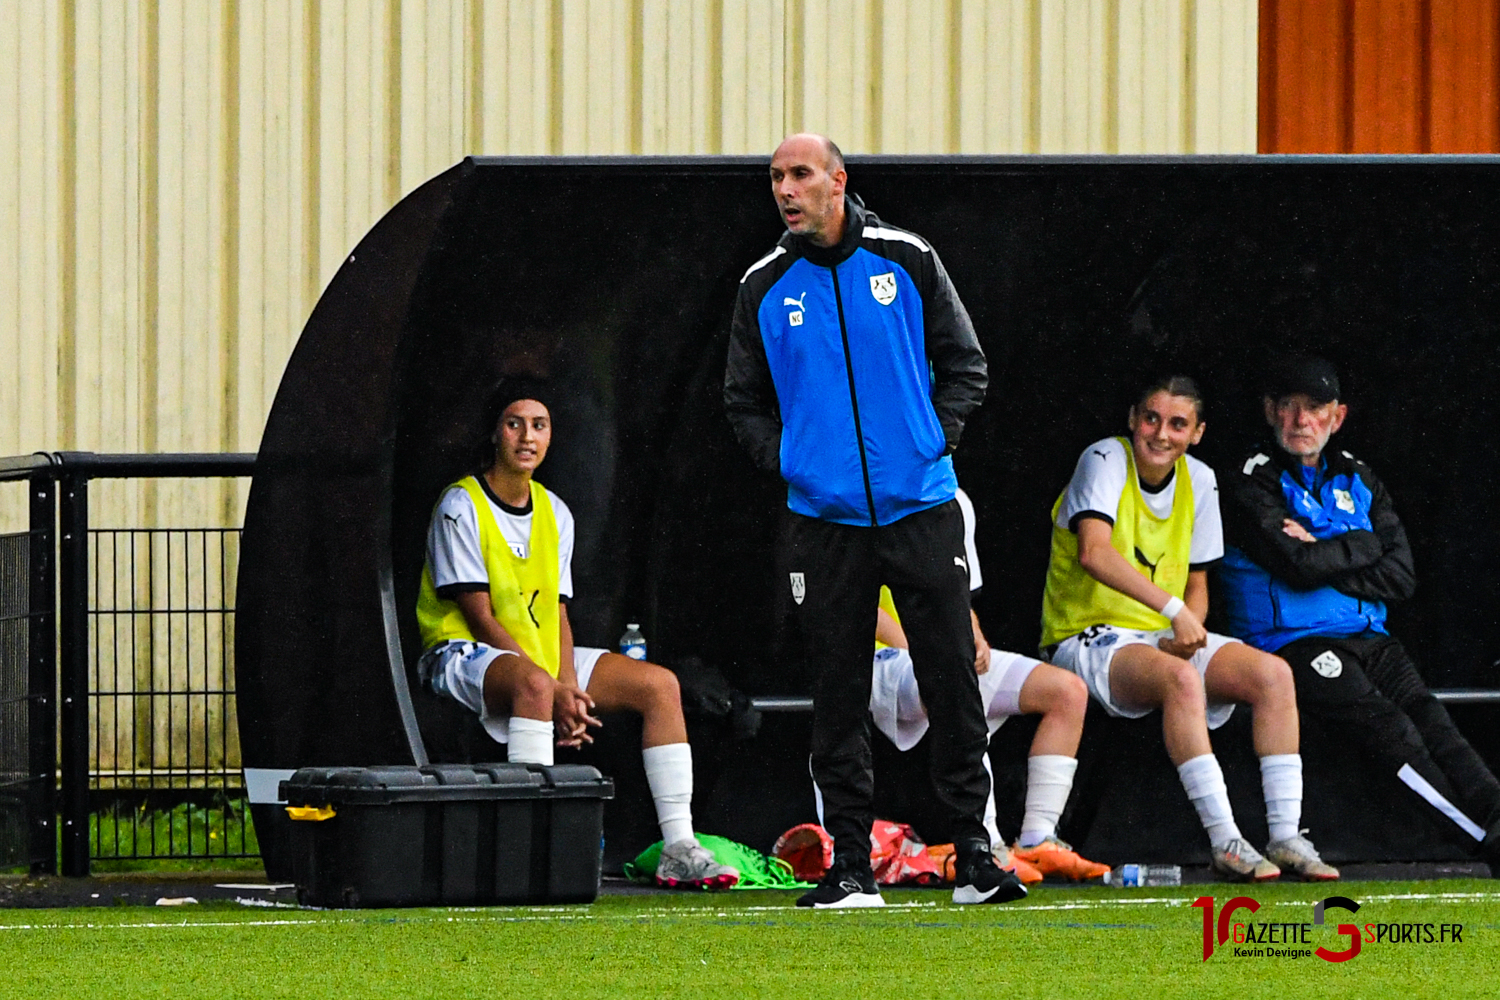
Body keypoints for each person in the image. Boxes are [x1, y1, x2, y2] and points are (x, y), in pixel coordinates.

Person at [724, 133, 1023, 908]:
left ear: (838, 180)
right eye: (775, 178)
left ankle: (974, 860)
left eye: (799, 175)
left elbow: (968, 366)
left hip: (920, 507)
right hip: (823, 521)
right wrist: (795, 463)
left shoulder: (907, 258)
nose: (785, 190)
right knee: (837, 690)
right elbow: (742, 402)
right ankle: (850, 867)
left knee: (953, 679)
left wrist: (929, 444)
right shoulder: (765, 284)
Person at [414, 378, 739, 890]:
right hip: (459, 654)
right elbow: (480, 616)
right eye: (514, 423)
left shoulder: (555, 511)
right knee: (536, 688)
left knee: (660, 686)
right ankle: (528, 850)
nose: (527, 436)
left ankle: (679, 845)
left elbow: (558, 615)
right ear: (494, 434)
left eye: (539, 425)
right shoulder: (460, 505)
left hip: (540, 659)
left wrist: (568, 685)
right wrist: (551, 688)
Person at [1039, 375, 1337, 882]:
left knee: (1273, 676)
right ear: (1133, 419)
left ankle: (1287, 836)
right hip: (1088, 636)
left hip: (1160, 635)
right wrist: (1176, 612)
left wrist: (1189, 628)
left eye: (1178, 424)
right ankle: (1226, 841)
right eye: (1151, 418)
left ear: (1197, 433)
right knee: (1180, 680)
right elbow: (1094, 552)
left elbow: (1197, 580)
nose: (1161, 434)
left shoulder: (1199, 479)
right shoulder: (1105, 458)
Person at [1218, 356, 1500, 868]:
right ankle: (1485, 844)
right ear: (1270, 412)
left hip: (1372, 636)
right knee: (1393, 732)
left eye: (1315, 409)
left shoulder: (1359, 476)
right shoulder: (1250, 478)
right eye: (1289, 408)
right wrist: (1362, 544)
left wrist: (1328, 551)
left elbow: (1402, 577)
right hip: (1296, 644)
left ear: (1337, 417)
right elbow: (1297, 566)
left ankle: (1497, 814)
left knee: (1433, 720)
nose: (1302, 421)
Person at [812, 487, 1110, 883]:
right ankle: (987, 845)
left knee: (1066, 692)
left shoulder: (954, 499)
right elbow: (846, 604)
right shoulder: (853, 496)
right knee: (954, 684)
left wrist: (975, 640)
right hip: (873, 657)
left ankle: (1039, 837)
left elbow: (955, 595)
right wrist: (937, 651)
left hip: (934, 653)